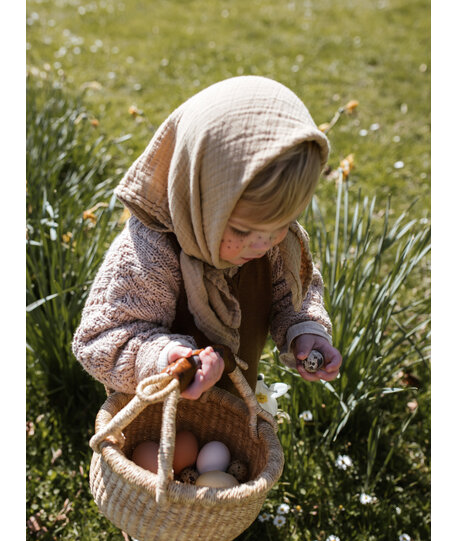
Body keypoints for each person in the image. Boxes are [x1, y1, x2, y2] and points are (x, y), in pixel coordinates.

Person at [72, 76, 342, 402]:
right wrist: (164, 358)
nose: (262, 244)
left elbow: (294, 296)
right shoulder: (150, 253)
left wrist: (305, 330)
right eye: (242, 231)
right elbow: (101, 341)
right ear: (198, 200)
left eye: (281, 226)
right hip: (153, 421)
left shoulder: (275, 247)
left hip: (230, 413)